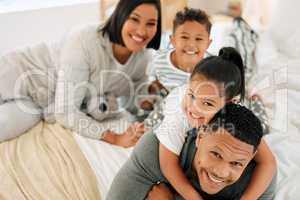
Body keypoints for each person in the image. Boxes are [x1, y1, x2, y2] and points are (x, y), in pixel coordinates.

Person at [0, 0, 162, 148]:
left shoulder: (143, 58)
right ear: (120, 15)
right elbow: (65, 112)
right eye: (134, 19)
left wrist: (150, 95)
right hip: (19, 72)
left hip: (38, 106)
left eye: (151, 23)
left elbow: (132, 101)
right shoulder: (85, 39)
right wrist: (114, 137)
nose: (142, 31)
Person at [155, 47, 276, 200]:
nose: (194, 108)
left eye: (207, 104)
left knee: (259, 121)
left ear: (229, 105)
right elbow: (167, 165)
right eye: (192, 96)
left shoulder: (233, 116)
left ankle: (255, 100)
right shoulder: (179, 115)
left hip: (237, 105)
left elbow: (268, 162)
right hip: (170, 102)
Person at [106, 103, 277, 200]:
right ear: (201, 136)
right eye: (216, 154)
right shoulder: (156, 147)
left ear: (251, 158)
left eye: (236, 163)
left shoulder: (259, 181)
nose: (221, 172)